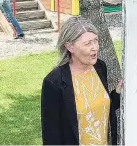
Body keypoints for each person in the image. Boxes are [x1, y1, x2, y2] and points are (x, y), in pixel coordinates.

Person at [41, 16, 122, 145]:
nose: (94, 47)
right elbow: (51, 135)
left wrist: (116, 95)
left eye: (95, 41)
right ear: (70, 47)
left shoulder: (100, 67)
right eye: (87, 43)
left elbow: (98, 107)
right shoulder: (54, 82)